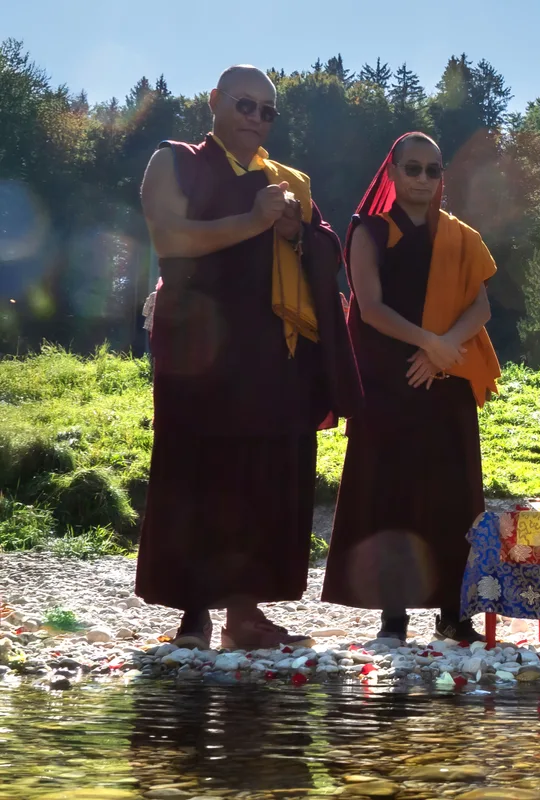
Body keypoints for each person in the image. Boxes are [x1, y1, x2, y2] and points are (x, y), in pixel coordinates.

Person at [135, 65, 359, 650]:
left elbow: (328, 251)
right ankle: (192, 612)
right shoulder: (175, 159)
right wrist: (252, 220)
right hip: (199, 348)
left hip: (272, 351)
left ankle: (245, 609)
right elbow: (168, 239)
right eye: (244, 105)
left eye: (267, 111)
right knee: (197, 472)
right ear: (214, 101)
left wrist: (295, 233)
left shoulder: (289, 182)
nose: (256, 119)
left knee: (265, 477)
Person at [321, 133, 500, 643]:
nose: (424, 179)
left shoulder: (460, 236)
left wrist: (440, 350)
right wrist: (429, 344)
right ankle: (392, 616)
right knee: (390, 496)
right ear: (393, 173)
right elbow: (371, 307)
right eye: (413, 169)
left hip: (446, 385)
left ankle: (453, 612)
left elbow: (481, 308)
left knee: (453, 496)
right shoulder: (369, 232)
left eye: (433, 170)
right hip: (388, 383)